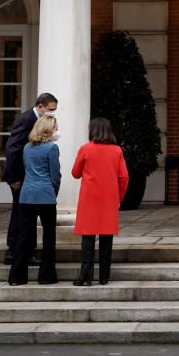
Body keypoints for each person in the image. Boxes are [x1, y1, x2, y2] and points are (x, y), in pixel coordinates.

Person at [71, 117, 129, 286]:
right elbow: (124, 177)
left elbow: (75, 172)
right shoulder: (117, 150)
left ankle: (85, 276)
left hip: (89, 198)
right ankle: (104, 277)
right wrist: (119, 198)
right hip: (109, 199)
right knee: (106, 238)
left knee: (87, 238)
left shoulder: (85, 148)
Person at [2, 92, 58, 265]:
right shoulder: (26, 119)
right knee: (20, 214)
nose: (52, 114)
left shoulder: (36, 120)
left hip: (29, 177)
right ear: (40, 106)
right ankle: (14, 250)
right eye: (50, 110)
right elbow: (12, 150)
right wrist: (15, 177)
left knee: (26, 215)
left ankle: (25, 250)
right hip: (20, 176)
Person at [8, 114, 61, 286]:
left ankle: (17, 276)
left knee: (24, 236)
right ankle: (46, 276)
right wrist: (54, 191)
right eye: (55, 127)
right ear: (48, 129)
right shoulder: (51, 148)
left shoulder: (27, 148)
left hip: (27, 195)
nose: (56, 130)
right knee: (48, 236)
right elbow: (55, 174)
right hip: (45, 195)